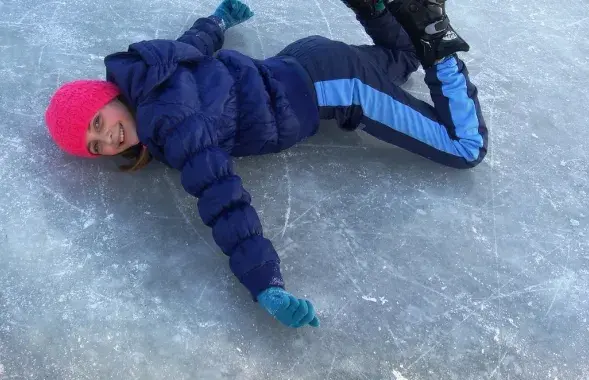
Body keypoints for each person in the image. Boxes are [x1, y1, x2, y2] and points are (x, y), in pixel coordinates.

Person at [44, 0, 487, 328]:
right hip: (306, 57)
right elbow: (191, 44)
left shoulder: (176, 126)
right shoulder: (152, 72)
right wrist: (219, 20)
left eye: (98, 121)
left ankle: (438, 38)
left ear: (110, 97)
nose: (107, 137)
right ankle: (374, 7)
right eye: (95, 144)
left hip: (335, 86)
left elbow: (223, 198)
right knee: (404, 60)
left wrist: (265, 283)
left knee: (464, 147)